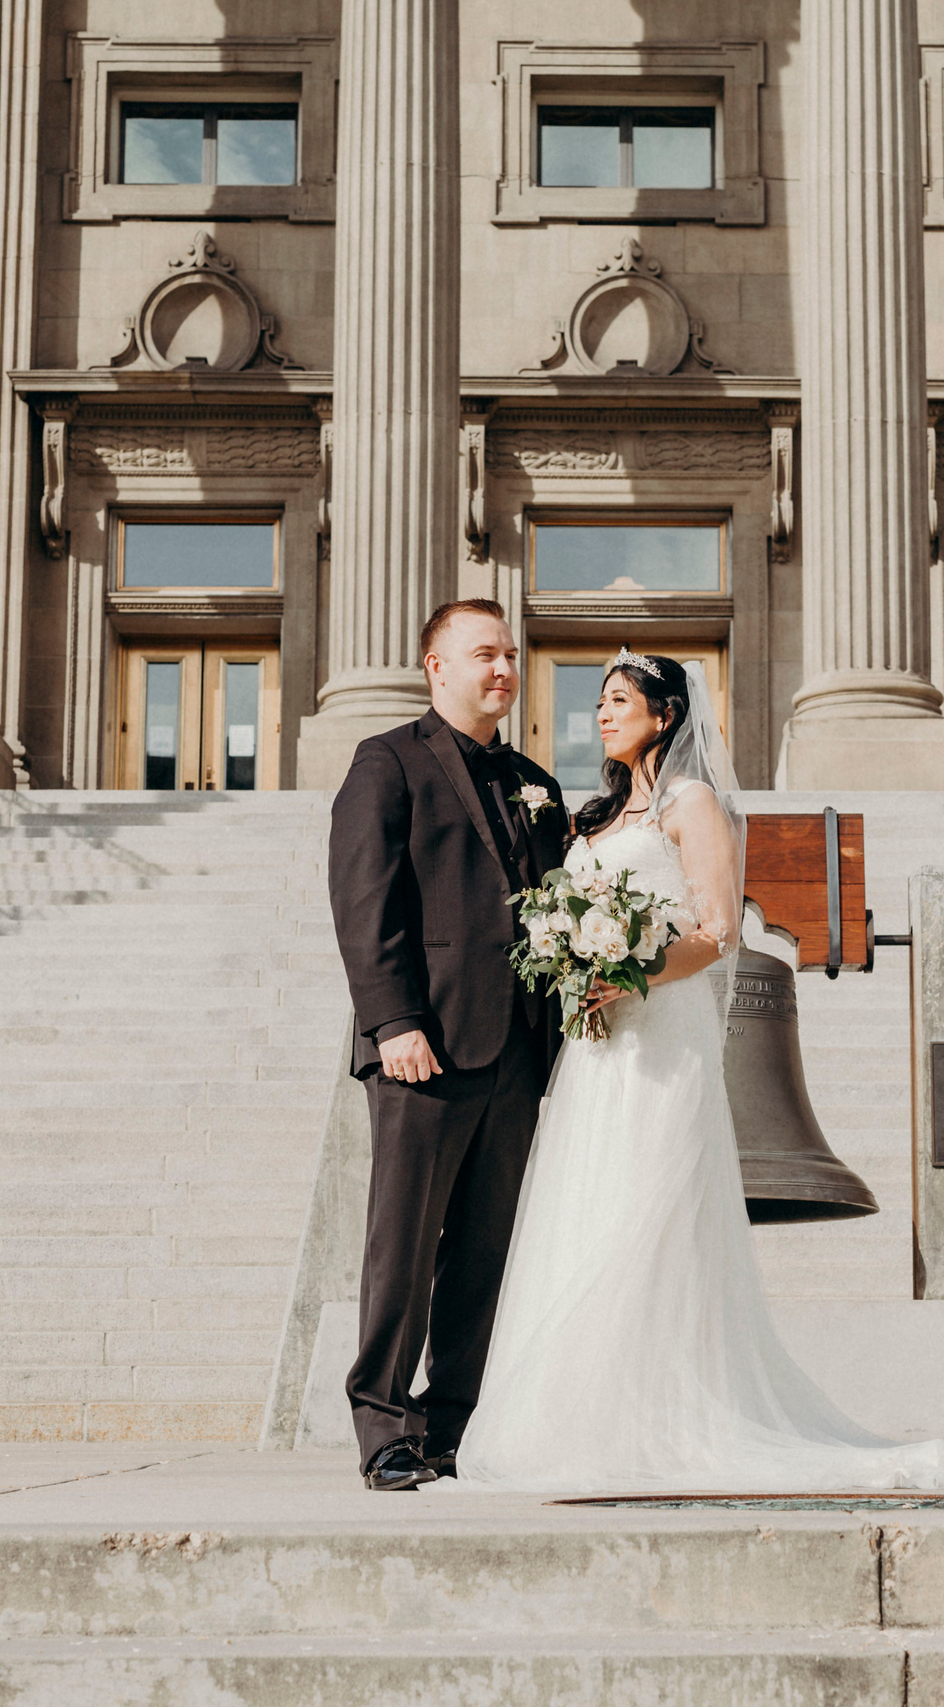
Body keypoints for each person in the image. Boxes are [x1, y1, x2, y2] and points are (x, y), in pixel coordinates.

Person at [441, 650, 944, 1493]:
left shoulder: (693, 804)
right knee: (588, 1210)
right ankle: (591, 1419)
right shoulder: (593, 817)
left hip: (662, 1038)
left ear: (666, 715)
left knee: (646, 1214)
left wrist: (622, 971)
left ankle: (663, 1418)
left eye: (620, 700)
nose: (602, 713)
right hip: (599, 1050)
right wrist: (577, 973)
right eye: (598, 701)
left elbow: (719, 929)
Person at [326, 599, 569, 1490]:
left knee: (484, 1246)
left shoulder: (535, 780)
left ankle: (452, 1420)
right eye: (483, 655)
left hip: (517, 1050)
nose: (503, 669)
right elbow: (365, 898)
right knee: (405, 1239)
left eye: (510, 654)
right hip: (423, 1043)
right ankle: (381, 1424)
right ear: (436, 666)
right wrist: (392, 1020)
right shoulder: (388, 761)